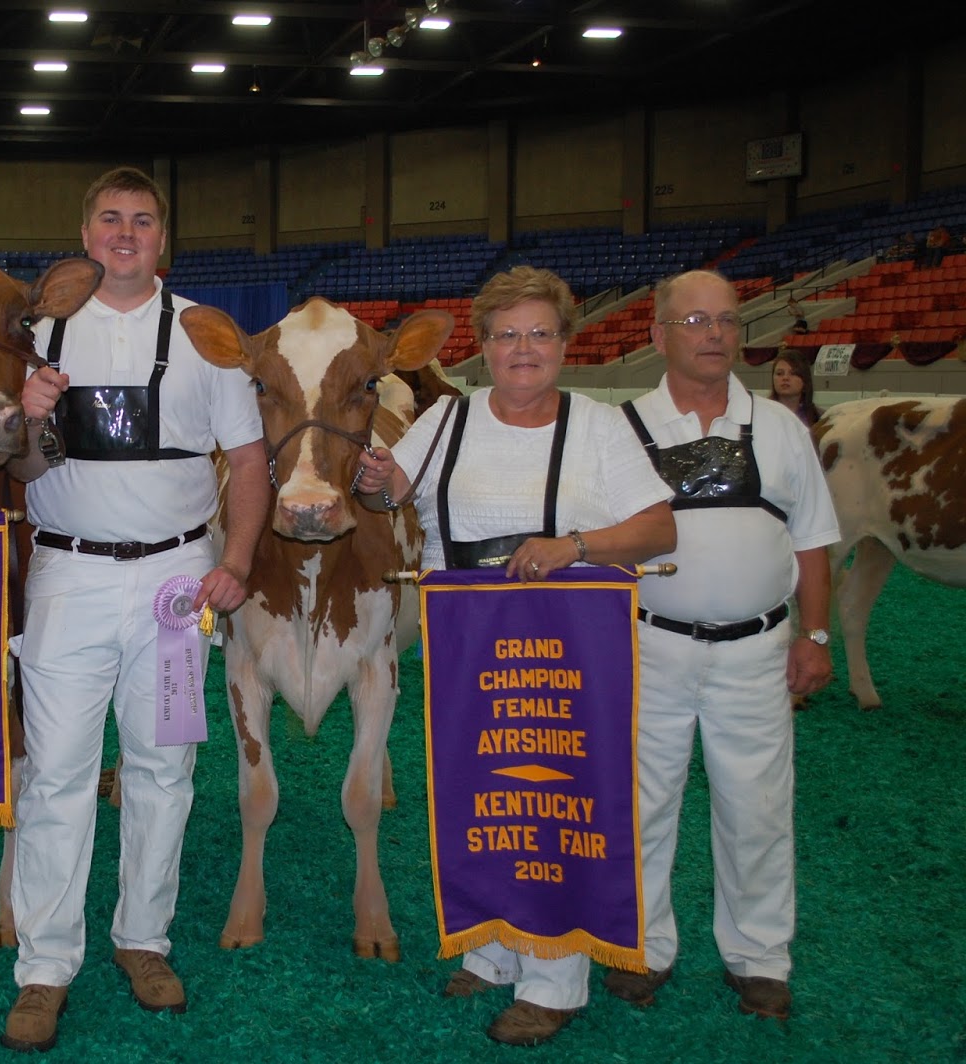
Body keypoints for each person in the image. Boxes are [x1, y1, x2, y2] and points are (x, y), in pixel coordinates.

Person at [353, 265, 675, 1047]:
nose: (521, 350)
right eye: (505, 335)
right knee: (479, 794)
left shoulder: (598, 426)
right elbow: (395, 495)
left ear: (566, 342)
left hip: (570, 642)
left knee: (555, 798)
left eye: (539, 334)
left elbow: (660, 529)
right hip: (468, 635)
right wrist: (376, 479)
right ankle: (496, 949)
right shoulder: (446, 422)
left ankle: (555, 978)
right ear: (483, 346)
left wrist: (577, 545)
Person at [0, 166, 269, 1053]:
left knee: (162, 770)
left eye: (143, 221)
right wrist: (30, 417)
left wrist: (234, 561)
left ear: (163, 238)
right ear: (86, 232)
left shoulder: (208, 337)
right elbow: (19, 475)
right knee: (57, 775)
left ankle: (143, 941)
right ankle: (44, 966)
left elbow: (252, 464)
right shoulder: (39, 335)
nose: (125, 234)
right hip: (67, 579)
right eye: (110, 219)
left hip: (175, 586)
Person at [607, 270, 838, 1023]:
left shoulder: (778, 428)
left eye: (728, 321)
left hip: (757, 653)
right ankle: (641, 944)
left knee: (759, 806)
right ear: (658, 335)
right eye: (697, 320)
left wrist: (817, 632)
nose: (715, 334)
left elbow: (811, 541)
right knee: (642, 804)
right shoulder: (622, 430)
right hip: (650, 650)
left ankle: (759, 958)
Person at [767, 350, 820, 427]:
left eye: (793, 373)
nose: (785, 378)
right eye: (779, 373)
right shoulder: (761, 413)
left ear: (805, 380)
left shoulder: (818, 417)